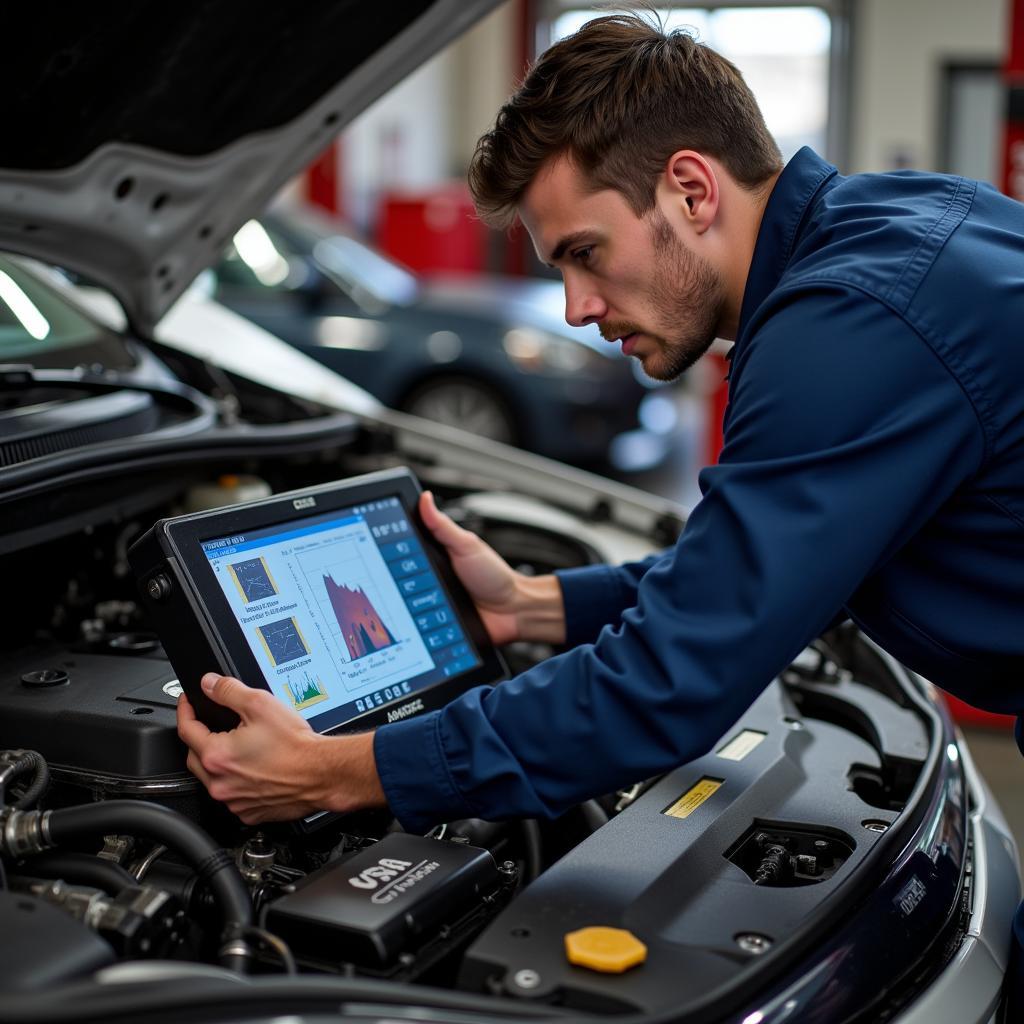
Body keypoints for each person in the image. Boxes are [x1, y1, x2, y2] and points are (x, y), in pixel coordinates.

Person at [178, 11, 1024, 1003]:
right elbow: (775, 567)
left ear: (691, 189)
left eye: (585, 251)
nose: (576, 306)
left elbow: (665, 683)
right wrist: (537, 606)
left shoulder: (843, 334)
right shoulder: (902, 221)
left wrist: (341, 771)